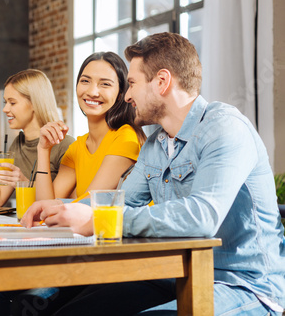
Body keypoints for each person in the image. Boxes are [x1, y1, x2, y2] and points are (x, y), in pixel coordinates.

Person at [22, 32, 285, 315]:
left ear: (161, 82)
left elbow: (202, 217)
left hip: (243, 286)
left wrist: (96, 220)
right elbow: (118, 202)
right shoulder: (156, 144)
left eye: (132, 83)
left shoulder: (225, 128)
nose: (127, 95)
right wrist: (59, 210)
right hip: (176, 274)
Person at [0, 69, 74, 207]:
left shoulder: (66, 146)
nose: (5, 109)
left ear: (34, 103)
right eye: (5, 102)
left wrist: (23, 182)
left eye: (12, 103)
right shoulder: (18, 144)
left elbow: (52, 206)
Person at [35, 51, 145, 201]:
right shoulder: (77, 147)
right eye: (85, 81)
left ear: (121, 93)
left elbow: (88, 205)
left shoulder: (126, 138)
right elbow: (44, 205)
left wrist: (62, 204)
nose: (92, 92)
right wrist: (43, 149)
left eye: (105, 84)